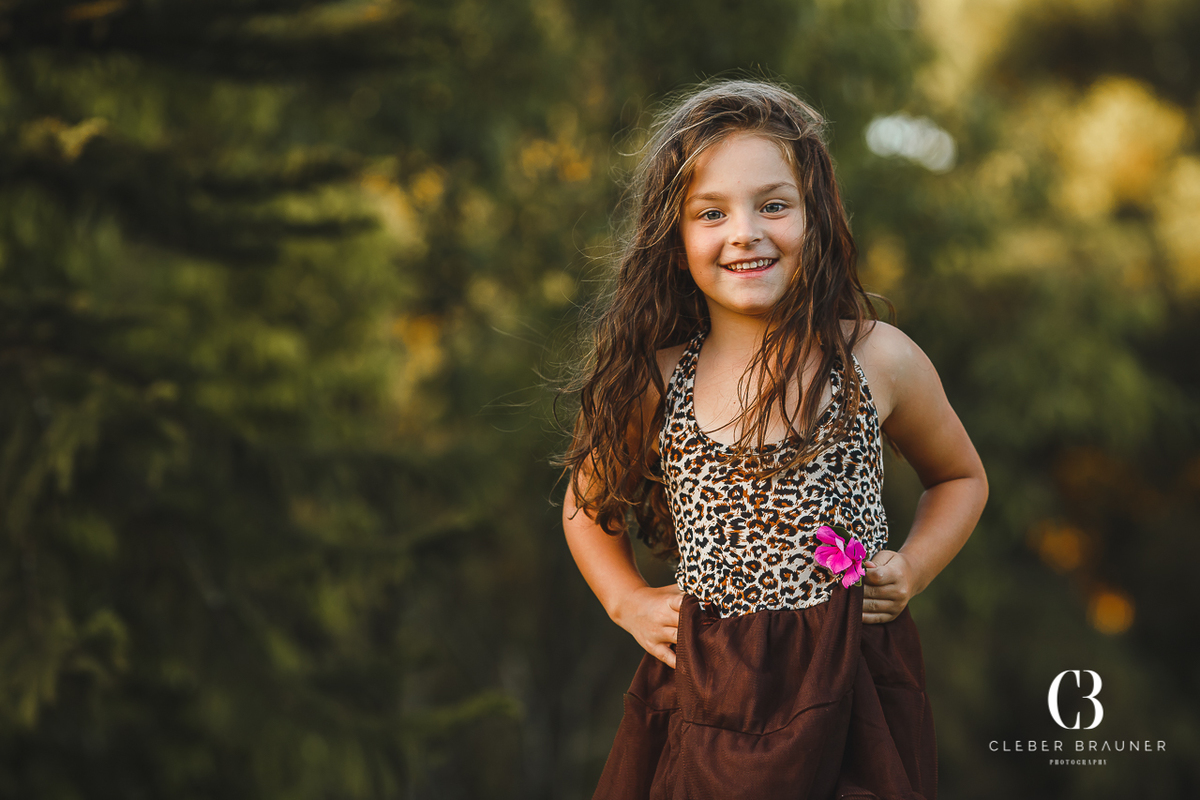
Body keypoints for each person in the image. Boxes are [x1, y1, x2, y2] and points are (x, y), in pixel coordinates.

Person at [560, 80, 988, 800]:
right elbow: (586, 504)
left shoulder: (879, 359)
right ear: (676, 242)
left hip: (850, 689)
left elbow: (960, 478)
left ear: (816, 217)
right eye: (712, 213)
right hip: (708, 696)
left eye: (774, 205)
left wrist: (913, 568)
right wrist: (626, 601)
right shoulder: (653, 381)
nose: (745, 232)